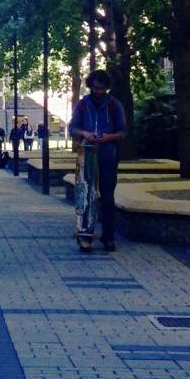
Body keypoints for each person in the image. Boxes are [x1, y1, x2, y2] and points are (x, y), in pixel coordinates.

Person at [69, 70, 127, 252]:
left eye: (102, 88)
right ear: (90, 86)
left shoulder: (114, 105)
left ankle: (108, 237)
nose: (99, 91)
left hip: (108, 154)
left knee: (108, 197)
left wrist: (109, 137)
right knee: (86, 195)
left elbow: (123, 131)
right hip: (87, 154)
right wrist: (85, 133)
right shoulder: (82, 105)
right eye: (95, 88)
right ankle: (85, 235)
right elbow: (73, 128)